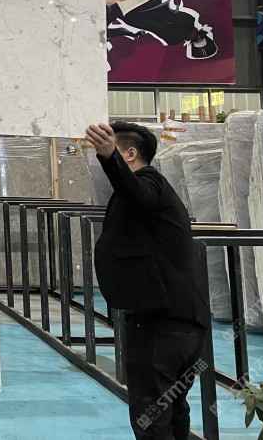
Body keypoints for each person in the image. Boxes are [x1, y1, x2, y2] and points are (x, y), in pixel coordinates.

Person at [86, 120, 210, 440]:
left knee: (151, 420)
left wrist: (109, 157)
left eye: (114, 148)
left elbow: (136, 193)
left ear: (129, 154)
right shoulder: (155, 192)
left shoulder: (149, 183)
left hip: (161, 327)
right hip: (180, 324)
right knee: (173, 413)